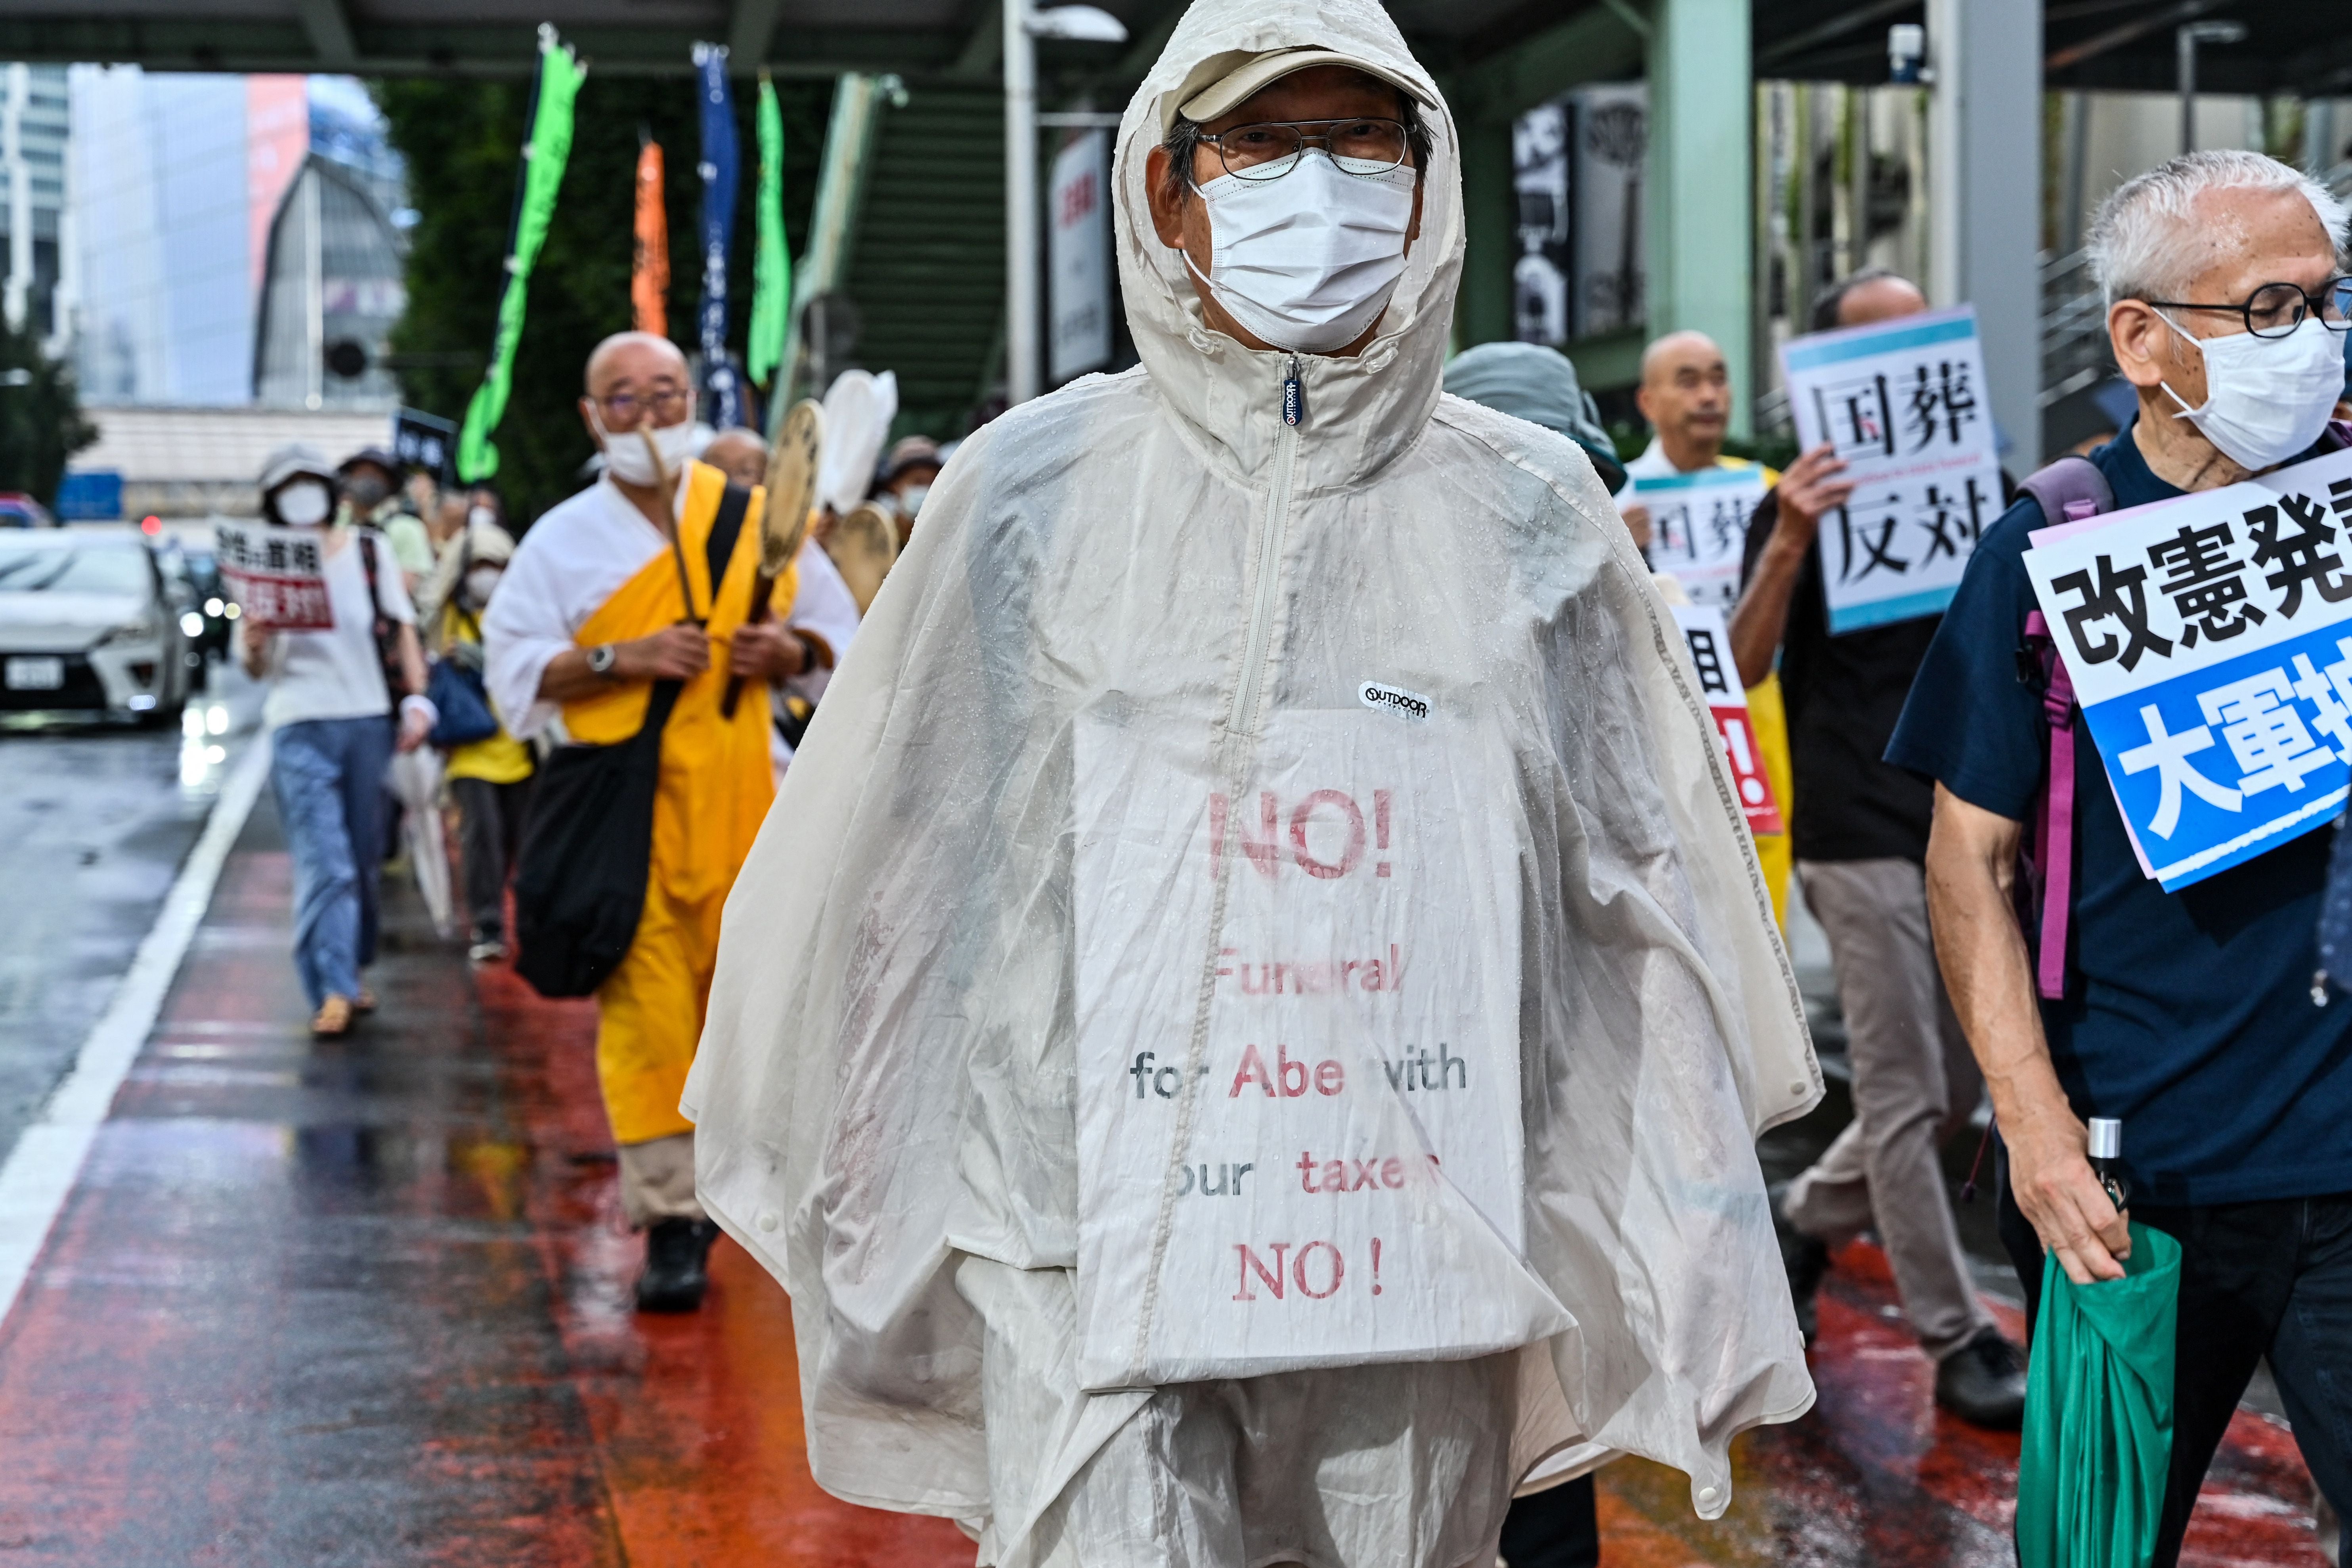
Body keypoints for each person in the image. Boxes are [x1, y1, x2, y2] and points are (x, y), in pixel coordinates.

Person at [687, 3, 1818, 1563]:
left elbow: (1631, 873)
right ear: (1168, 185)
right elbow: (903, 854)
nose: (1316, 183)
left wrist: (1668, 1197)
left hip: (1402, 1212)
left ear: (1427, 181)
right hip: (1079, 1218)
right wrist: (872, 1153)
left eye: (1359, 136)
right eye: (1260, 141)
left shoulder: (1530, 506)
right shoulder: (1024, 491)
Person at [1889, 150, 2352, 1561]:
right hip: (2130, 1184)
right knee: (2097, 1540)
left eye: (2327, 303)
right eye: (2265, 306)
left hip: (2343, 1167)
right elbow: (1966, 859)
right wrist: (2029, 1130)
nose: (2310, 341)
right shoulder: (2048, 544)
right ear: (2141, 341)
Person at [1727, 268, 2029, 1426]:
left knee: (1957, 1089)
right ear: (1824, 376)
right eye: (1871, 345)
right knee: (1906, 1091)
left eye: (1917, 337)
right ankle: (1958, 1337)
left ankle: (1802, 1218)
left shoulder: (1988, 493)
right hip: (1857, 829)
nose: (1899, 361)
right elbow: (1747, 662)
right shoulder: (1795, 499)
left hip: (1971, 830)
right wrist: (1793, 538)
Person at [482, 333, 803, 1314]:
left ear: (692, 399)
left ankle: (757, 1202)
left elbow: (847, 641)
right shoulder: (563, 540)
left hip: (752, 809)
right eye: (621, 400)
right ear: (593, 418)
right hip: (629, 821)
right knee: (649, 1021)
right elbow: (510, 673)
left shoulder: (757, 521)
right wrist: (620, 659)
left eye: (664, 393)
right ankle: (670, 1219)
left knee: (757, 1019)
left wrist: (781, 651)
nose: (647, 415)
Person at [238, 445, 434, 1037]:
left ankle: (350, 963)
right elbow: (253, 667)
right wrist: (253, 641)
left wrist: (418, 697)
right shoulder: (264, 565)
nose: (301, 495)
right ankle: (332, 987)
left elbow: (401, 630)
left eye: (310, 483)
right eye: (287, 486)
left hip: (368, 720)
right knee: (327, 862)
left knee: (364, 859)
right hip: (299, 721)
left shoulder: (369, 552)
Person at [699, 427, 862, 770]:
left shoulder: (796, 550)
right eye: (716, 471)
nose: (730, 483)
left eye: (746, 471)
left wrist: (793, 654)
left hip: (768, 749)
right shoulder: (671, 539)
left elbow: (847, 650)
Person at [420, 505, 532, 963]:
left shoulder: (527, 612)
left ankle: (530, 924)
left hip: (524, 748)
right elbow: (423, 615)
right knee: (481, 840)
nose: (487, 576)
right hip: (472, 751)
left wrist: (489, 659)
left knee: (525, 842)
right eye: (478, 566)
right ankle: (489, 926)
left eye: (496, 566)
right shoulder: (448, 616)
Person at [340, 448, 432, 596]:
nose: (367, 481)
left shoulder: (407, 528)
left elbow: (404, 588)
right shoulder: (334, 522)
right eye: (362, 473)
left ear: (391, 483)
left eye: (375, 475)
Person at [874, 433, 942, 541]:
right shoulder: (875, 537)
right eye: (918, 482)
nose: (926, 490)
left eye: (933, 483)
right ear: (894, 486)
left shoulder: (946, 536)